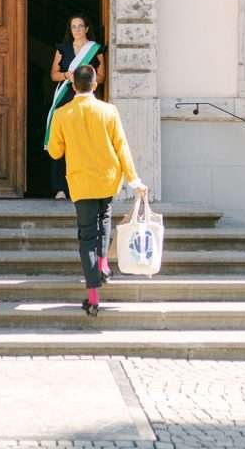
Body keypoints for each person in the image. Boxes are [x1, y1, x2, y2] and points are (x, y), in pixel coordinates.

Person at [47, 63, 147, 317]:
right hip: (107, 178)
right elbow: (121, 146)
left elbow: (56, 151)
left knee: (87, 236)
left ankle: (93, 297)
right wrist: (134, 180)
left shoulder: (62, 113)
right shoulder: (109, 111)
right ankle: (103, 264)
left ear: (73, 85)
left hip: (81, 182)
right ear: (94, 84)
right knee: (104, 220)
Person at [47, 15, 105, 199]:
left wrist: (85, 77)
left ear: (87, 29)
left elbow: (102, 77)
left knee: (84, 142)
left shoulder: (96, 50)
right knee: (61, 142)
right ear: (70, 30)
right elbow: (53, 75)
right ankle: (61, 188)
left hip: (85, 98)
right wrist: (66, 75)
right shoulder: (62, 49)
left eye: (81, 26)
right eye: (74, 27)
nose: (77, 30)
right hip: (65, 98)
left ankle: (83, 186)